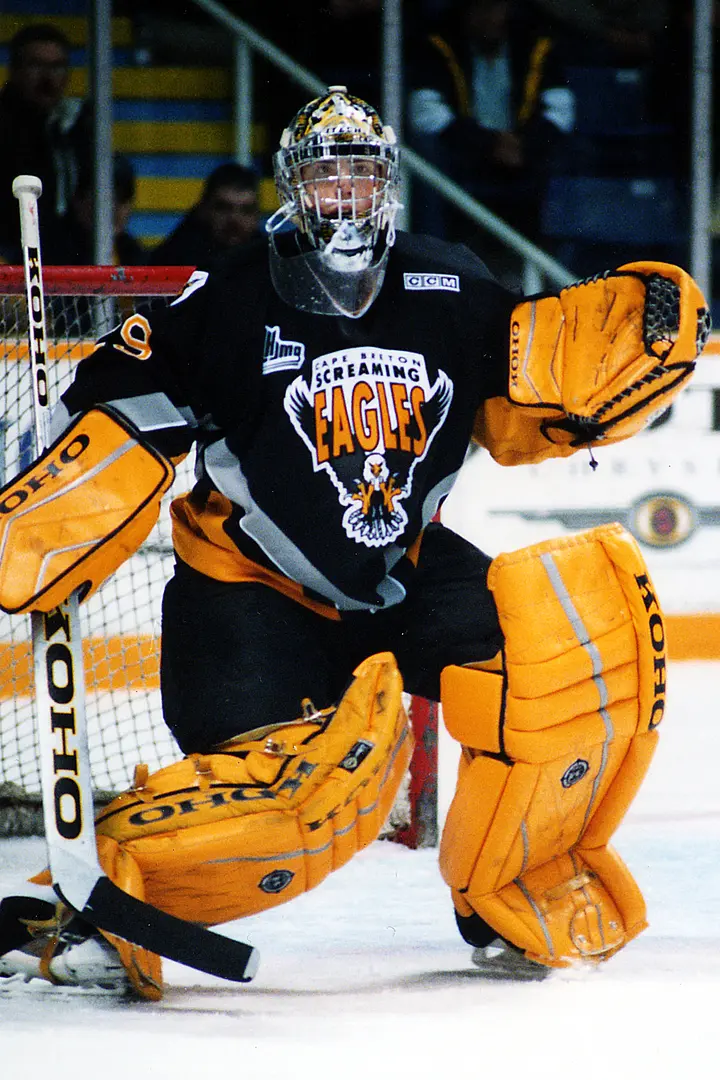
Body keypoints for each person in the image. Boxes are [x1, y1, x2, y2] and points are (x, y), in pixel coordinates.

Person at [0, 86, 708, 999]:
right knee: (295, 797)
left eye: (362, 175)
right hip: (248, 595)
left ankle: (508, 887)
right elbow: (115, 402)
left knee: (566, 658)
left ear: (388, 187)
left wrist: (616, 347)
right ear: (295, 188)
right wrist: (58, 487)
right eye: (327, 176)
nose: (346, 194)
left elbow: (533, 380)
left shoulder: (447, 282)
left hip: (397, 576)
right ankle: (96, 904)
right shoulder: (229, 296)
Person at [406, 0, 575, 247]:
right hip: (465, 153)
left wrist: (524, 145)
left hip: (522, 152)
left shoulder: (533, 45)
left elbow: (560, 110)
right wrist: (488, 143)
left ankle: (551, 260)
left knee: (566, 155)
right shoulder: (441, 45)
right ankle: (435, 250)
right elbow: (425, 112)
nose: (489, 18)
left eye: (495, 7)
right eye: (480, 8)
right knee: (425, 153)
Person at [0, 23, 92, 262]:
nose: (47, 77)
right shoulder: (5, 128)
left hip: (64, 259)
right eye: (36, 65)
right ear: (15, 70)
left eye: (57, 66)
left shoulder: (73, 126)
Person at [150, 163, 261, 266]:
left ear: (257, 215)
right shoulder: (174, 258)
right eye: (223, 208)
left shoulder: (269, 260)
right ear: (204, 209)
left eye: (246, 210)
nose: (234, 219)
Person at [44, 154, 147, 266]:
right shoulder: (52, 249)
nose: (112, 208)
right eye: (103, 199)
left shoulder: (132, 253)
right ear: (78, 198)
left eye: (122, 198)